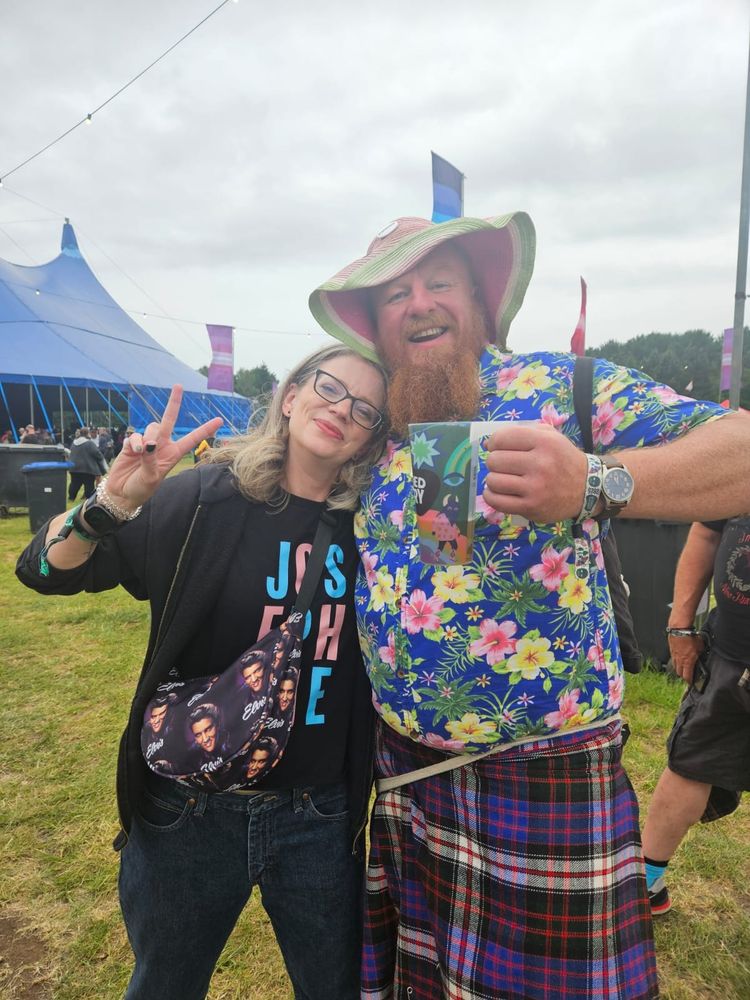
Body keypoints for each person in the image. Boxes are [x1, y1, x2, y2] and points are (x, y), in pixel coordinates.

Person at [309, 213, 750, 1000]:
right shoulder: (376, 433)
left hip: (543, 787)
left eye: (438, 282)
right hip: (407, 782)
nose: (417, 303)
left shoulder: (559, 387)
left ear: (479, 301)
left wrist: (594, 483)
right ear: (377, 328)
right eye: (395, 295)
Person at [16, 343, 388, 1000]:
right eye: (329, 388)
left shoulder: (374, 532)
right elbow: (43, 573)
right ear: (292, 393)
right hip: (190, 812)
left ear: (371, 438)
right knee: (165, 985)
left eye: (363, 408)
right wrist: (107, 503)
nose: (340, 410)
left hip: (319, 816)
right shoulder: (203, 501)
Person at [640, 514, 750, 916]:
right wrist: (680, 626)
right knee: (690, 762)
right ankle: (646, 884)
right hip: (731, 654)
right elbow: (706, 532)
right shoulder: (740, 456)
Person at [68, 427, 108, 500]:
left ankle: (71, 498)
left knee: (74, 484)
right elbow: (97, 454)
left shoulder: (74, 442)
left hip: (74, 467)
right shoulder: (89, 443)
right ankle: (89, 498)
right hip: (87, 468)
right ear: (87, 433)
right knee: (89, 485)